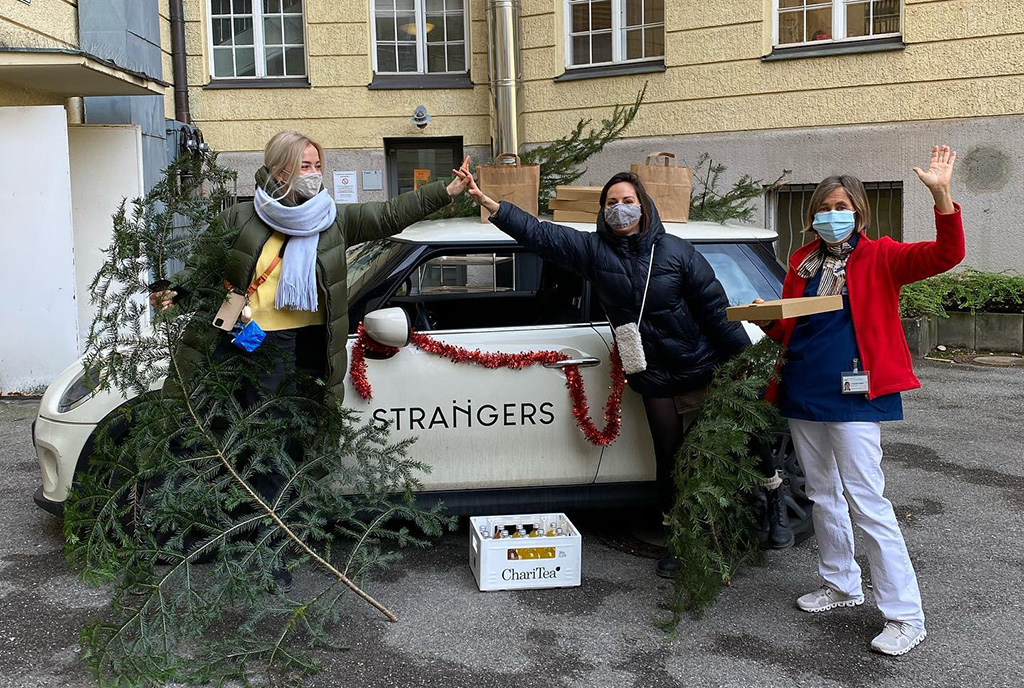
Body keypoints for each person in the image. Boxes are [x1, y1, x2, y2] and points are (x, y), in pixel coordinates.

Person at [152, 131, 470, 589]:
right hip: (248, 345)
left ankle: (271, 545)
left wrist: (445, 190)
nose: (314, 173)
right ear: (279, 169)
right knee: (245, 445)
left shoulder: (331, 220)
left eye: (318, 164)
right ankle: (242, 544)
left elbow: (387, 214)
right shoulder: (242, 217)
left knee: (288, 448)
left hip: (306, 348)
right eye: (305, 165)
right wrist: (175, 290)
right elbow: (204, 268)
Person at [455, 168, 754, 577]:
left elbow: (718, 312)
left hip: (701, 365)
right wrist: (491, 204)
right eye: (611, 202)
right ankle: (678, 538)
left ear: (644, 205)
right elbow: (542, 235)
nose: (620, 208)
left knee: (711, 457)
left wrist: (746, 365)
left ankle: (744, 526)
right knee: (669, 459)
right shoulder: (595, 252)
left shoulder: (677, 252)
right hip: (651, 372)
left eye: (627, 200)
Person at [751, 145, 964, 655]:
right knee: (822, 494)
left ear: (860, 212)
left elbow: (945, 255)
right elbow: (789, 327)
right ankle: (841, 584)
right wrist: (765, 316)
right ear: (812, 217)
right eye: (823, 208)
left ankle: (905, 616)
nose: (831, 215)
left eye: (841, 207)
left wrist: (942, 197)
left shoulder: (882, 255)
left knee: (868, 502)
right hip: (804, 388)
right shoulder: (802, 259)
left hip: (856, 393)